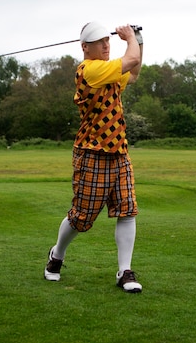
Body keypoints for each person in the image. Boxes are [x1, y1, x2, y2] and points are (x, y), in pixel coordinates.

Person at [44, 22, 144, 293]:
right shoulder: (90, 70)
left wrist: (139, 39)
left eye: (107, 41)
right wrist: (131, 39)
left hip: (119, 151)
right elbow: (131, 58)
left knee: (127, 210)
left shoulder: (110, 71)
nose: (106, 45)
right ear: (85, 47)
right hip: (92, 152)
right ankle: (56, 256)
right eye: (100, 42)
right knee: (81, 218)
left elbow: (133, 72)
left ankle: (125, 271)